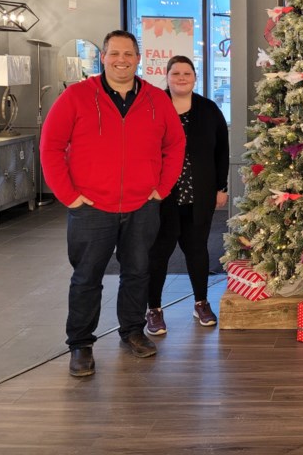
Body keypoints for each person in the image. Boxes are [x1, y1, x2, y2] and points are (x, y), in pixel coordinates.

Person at [41, 30, 185, 377]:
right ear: (103, 57)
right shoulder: (76, 97)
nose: (122, 60)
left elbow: (175, 144)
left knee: (137, 272)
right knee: (87, 277)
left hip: (141, 206)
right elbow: (50, 146)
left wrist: (161, 188)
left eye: (129, 54)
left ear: (139, 59)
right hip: (91, 207)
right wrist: (69, 196)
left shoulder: (155, 99)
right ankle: (80, 344)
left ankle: (133, 331)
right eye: (115, 54)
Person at [146, 56, 230, 336]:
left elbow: (222, 150)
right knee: (158, 254)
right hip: (161, 197)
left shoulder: (208, 109)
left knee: (197, 251)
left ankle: (201, 302)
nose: (182, 78)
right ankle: (154, 309)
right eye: (176, 73)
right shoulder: (152, 107)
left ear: (195, 77)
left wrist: (221, 187)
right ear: (167, 77)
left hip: (199, 196)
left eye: (187, 73)